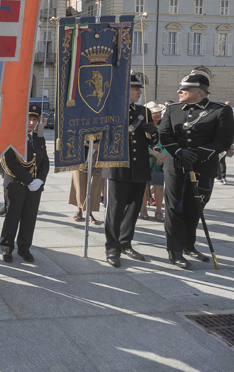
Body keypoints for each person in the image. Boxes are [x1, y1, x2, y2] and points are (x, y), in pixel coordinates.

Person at [158, 71, 234, 269]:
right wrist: (179, 151)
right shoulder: (173, 109)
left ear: (199, 92)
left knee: (195, 208)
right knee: (174, 208)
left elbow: (224, 140)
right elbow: (165, 135)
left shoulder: (219, 110)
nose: (179, 91)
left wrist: (199, 153)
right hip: (175, 165)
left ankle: (188, 245)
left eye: (184, 89)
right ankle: (174, 250)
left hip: (203, 166)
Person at [101, 77, 155, 267]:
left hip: (139, 167)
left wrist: (153, 132)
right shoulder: (111, 110)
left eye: (140, 89)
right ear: (125, 89)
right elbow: (102, 135)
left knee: (133, 209)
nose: (140, 92)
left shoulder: (144, 112)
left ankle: (126, 243)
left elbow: (152, 142)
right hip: (117, 167)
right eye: (135, 89)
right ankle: (112, 249)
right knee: (114, 211)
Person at [0, 102, 50, 263]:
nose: (32, 123)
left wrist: (40, 180)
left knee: (29, 218)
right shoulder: (12, 136)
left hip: (34, 187)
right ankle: (7, 248)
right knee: (12, 217)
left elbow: (45, 162)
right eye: (28, 119)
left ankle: (24, 248)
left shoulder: (39, 138)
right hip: (16, 184)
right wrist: (29, 180)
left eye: (35, 119)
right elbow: (10, 161)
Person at [141, 102, 167, 221]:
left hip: (161, 159)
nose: (158, 114)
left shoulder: (165, 125)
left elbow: (169, 140)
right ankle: (143, 209)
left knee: (158, 185)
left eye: (159, 112)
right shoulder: (143, 125)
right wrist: (153, 152)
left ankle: (158, 210)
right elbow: (140, 142)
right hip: (146, 157)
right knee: (144, 185)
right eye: (155, 112)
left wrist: (162, 156)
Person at [69, 146, 105, 224]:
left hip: (97, 157)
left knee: (94, 186)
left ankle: (90, 212)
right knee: (79, 184)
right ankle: (79, 210)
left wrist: (90, 143)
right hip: (80, 155)